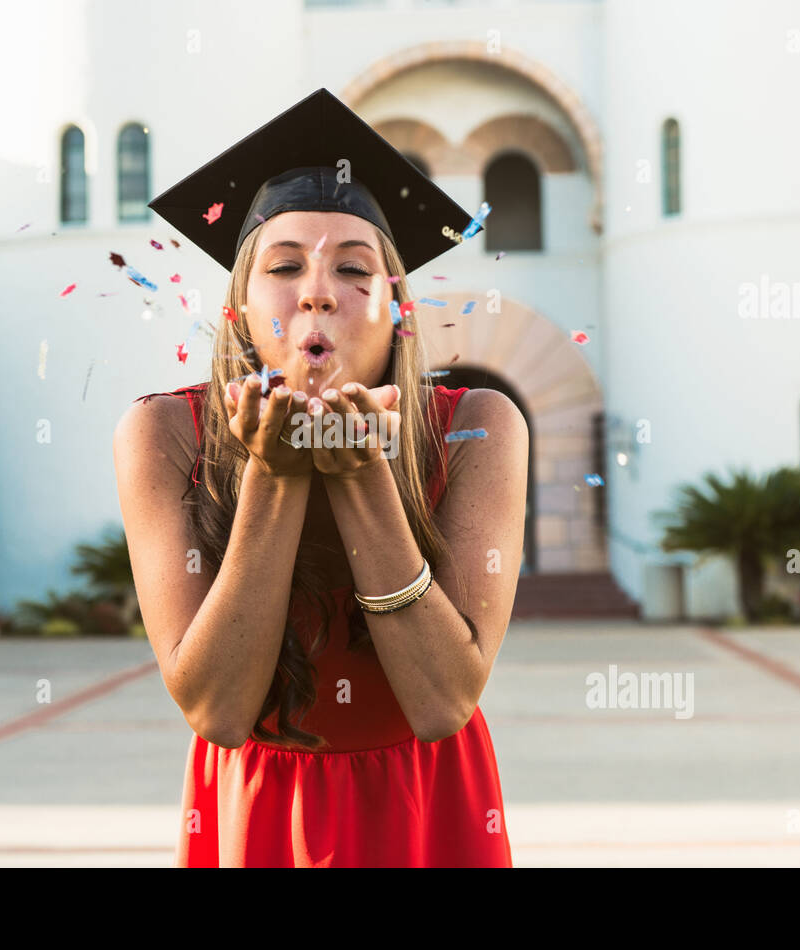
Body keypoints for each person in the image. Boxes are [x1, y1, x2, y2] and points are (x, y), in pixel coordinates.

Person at [112, 88, 528, 867]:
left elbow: (443, 702)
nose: (317, 289)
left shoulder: (478, 426)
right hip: (258, 810)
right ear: (238, 309)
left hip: (427, 805)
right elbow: (217, 707)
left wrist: (363, 472)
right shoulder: (163, 434)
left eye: (352, 267)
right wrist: (274, 475)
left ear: (397, 309)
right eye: (283, 265)